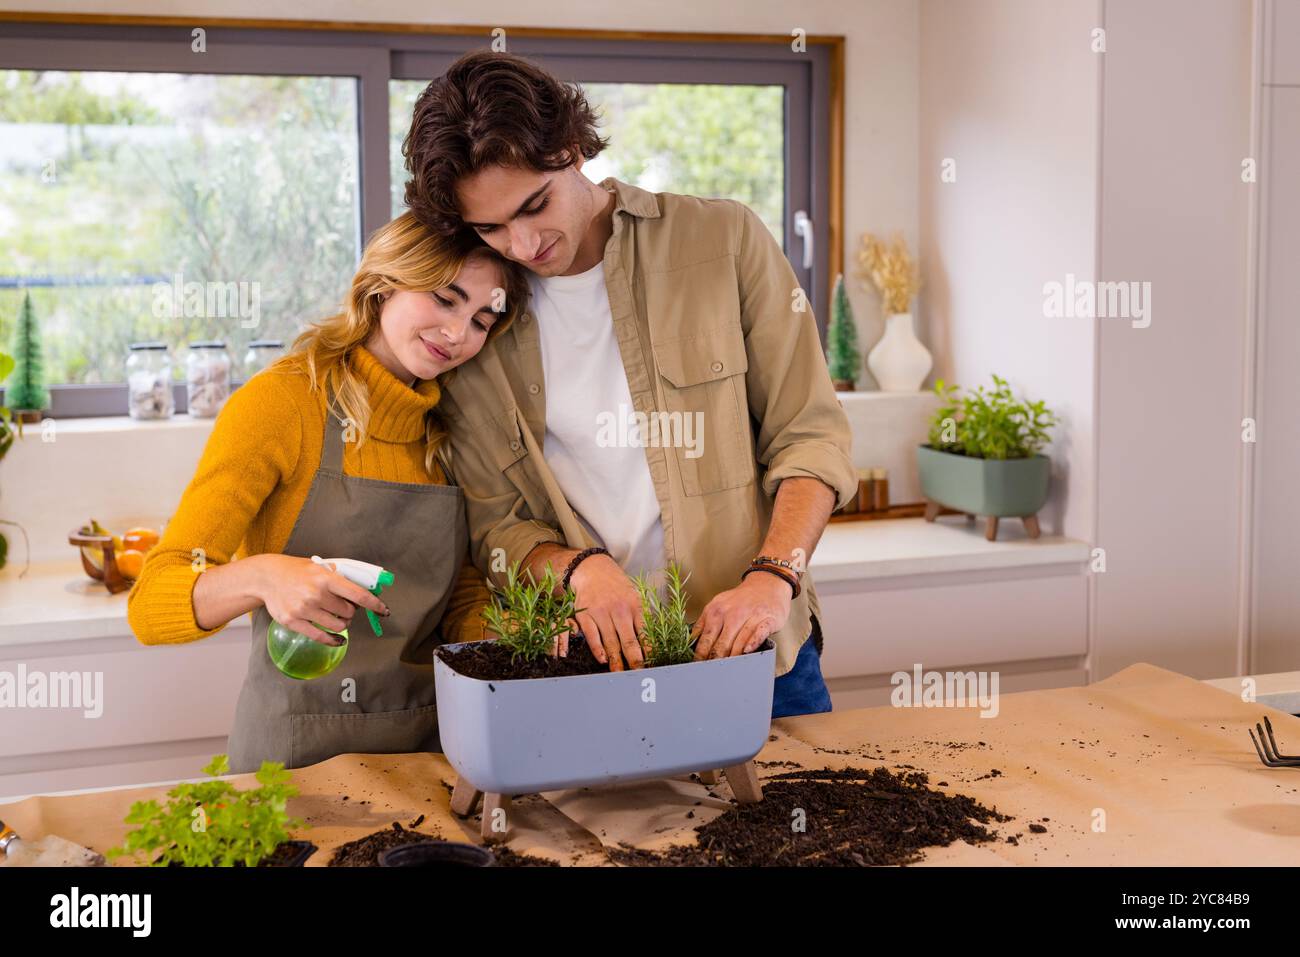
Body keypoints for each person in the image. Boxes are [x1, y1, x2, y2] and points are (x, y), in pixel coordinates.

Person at [401, 51, 856, 718]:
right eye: (490, 227)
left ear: (573, 147)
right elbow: (494, 523)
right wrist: (575, 567)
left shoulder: (723, 240)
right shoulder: (472, 320)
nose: (523, 245)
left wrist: (775, 574)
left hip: (757, 653)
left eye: (534, 204)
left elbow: (811, 437)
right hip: (585, 671)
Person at [127, 212, 528, 771]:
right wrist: (264, 575)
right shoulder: (282, 405)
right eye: (444, 298)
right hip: (294, 758)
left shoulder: (450, 424)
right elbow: (151, 604)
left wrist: (512, 645)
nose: (459, 334)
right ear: (383, 284)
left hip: (431, 749)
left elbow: (454, 592)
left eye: (482, 320)